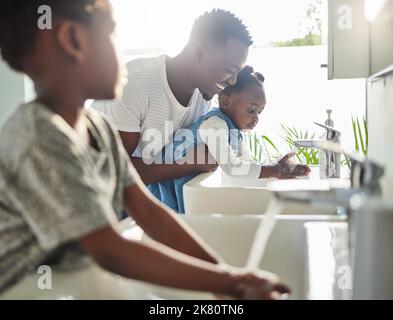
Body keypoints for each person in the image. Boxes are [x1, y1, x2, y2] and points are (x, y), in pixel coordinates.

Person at [0, 0, 290, 299]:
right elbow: (110, 250)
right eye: (111, 35)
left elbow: (150, 213)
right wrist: (228, 283)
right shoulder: (38, 137)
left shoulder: (98, 128)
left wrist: (228, 277)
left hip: (78, 280)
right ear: (72, 40)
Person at [91, 9, 253, 186]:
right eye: (230, 69)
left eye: (238, 71)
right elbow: (114, 170)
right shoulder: (133, 84)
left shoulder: (205, 89)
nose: (233, 80)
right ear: (199, 51)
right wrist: (188, 165)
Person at [148, 66, 311, 213]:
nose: (256, 118)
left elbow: (245, 162)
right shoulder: (214, 124)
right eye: (251, 110)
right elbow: (232, 167)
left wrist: (277, 169)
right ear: (225, 101)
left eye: (259, 112)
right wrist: (274, 170)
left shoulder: (233, 129)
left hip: (188, 188)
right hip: (164, 187)